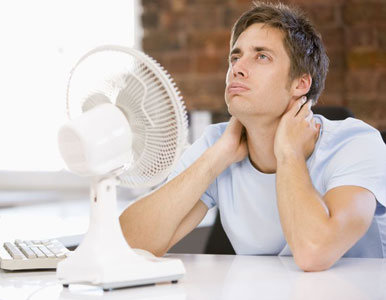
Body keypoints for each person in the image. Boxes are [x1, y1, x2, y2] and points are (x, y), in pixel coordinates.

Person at [119, 2, 386, 271]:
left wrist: (289, 154)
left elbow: (314, 253)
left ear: (300, 84)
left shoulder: (355, 143)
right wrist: (215, 159)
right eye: (235, 58)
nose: (237, 68)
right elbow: (127, 246)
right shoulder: (218, 144)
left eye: (261, 57)